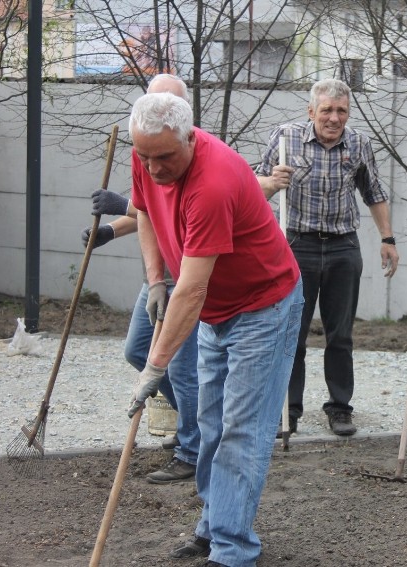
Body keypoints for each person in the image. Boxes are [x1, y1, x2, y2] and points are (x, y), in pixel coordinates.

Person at [127, 92, 303, 567]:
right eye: (145, 156)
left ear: (189, 137)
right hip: (216, 310)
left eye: (164, 158)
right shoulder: (146, 149)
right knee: (211, 425)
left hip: (263, 306)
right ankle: (215, 524)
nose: (153, 167)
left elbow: (193, 291)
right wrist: (154, 279)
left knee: (241, 431)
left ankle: (232, 550)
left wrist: (155, 366)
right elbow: (143, 209)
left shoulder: (214, 181)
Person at [255, 78, 399, 437]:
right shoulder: (285, 138)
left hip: (342, 247)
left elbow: (374, 192)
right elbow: (254, 184)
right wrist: (273, 181)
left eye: (341, 111)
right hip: (295, 246)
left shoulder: (359, 144)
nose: (334, 118)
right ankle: (287, 411)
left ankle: (339, 408)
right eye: (327, 111)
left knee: (340, 334)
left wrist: (387, 238)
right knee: (292, 333)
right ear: (311, 112)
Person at [82, 74, 200, 484]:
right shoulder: (146, 150)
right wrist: (111, 229)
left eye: (169, 103)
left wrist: (124, 204)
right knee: (137, 352)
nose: (159, 110)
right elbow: (149, 213)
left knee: (183, 368)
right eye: (153, 101)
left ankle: (192, 450)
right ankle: (193, 424)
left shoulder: (188, 153)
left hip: (189, 278)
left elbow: (162, 208)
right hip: (158, 275)